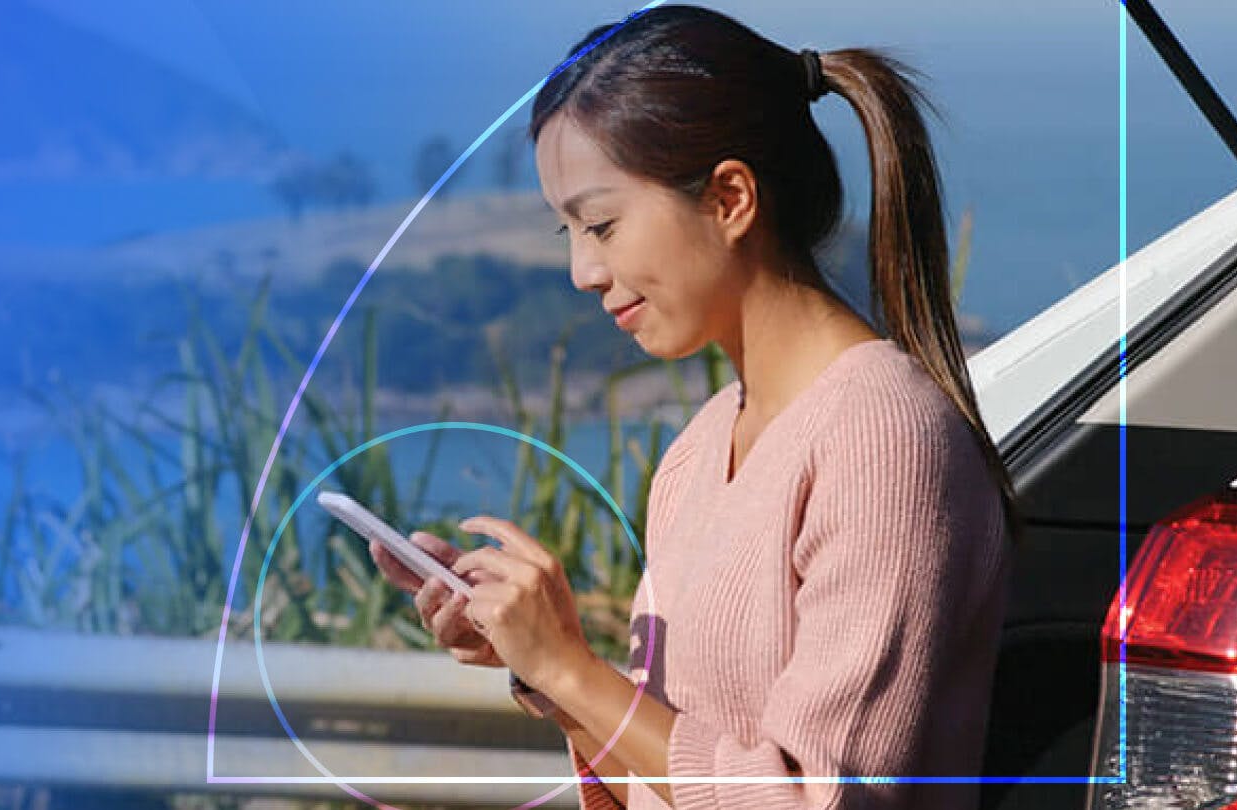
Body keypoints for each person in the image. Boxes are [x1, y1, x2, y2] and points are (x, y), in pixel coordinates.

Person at [368, 5, 1015, 807]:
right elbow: (674, 776)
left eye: (601, 224)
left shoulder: (885, 439)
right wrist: (541, 660)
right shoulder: (702, 448)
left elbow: (815, 799)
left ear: (731, 198)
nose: (583, 271)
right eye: (566, 232)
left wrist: (570, 668)